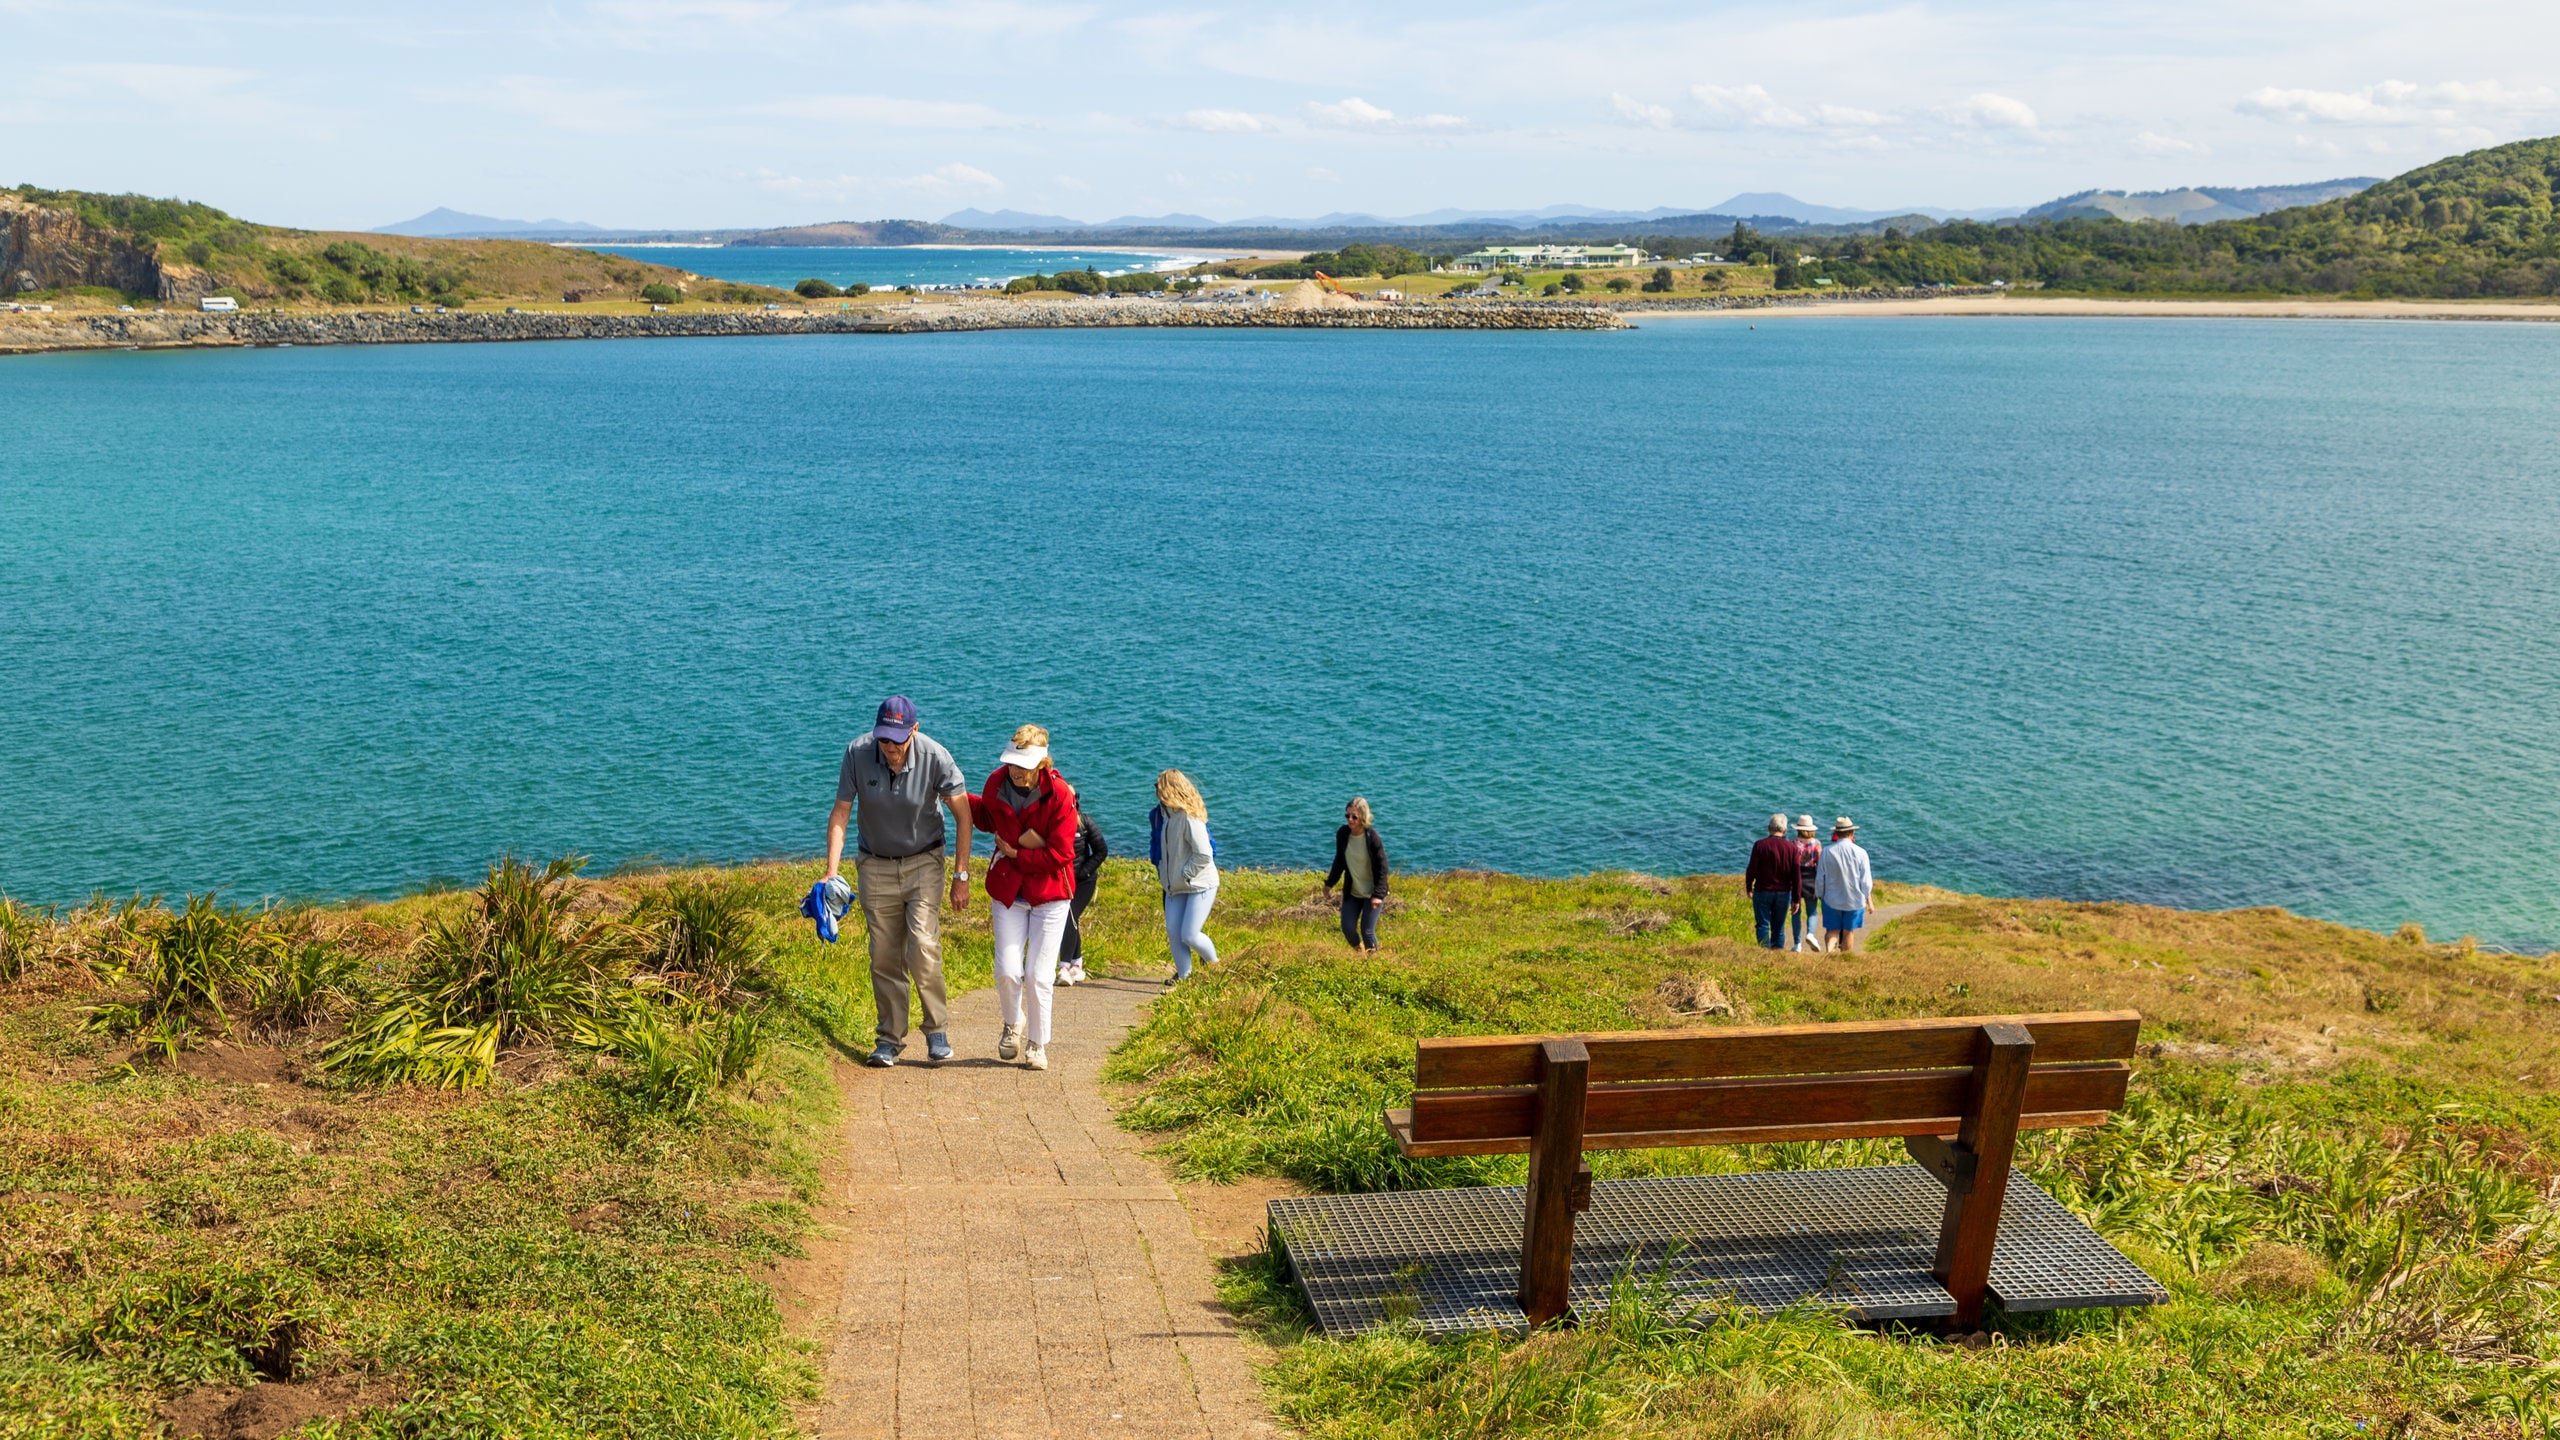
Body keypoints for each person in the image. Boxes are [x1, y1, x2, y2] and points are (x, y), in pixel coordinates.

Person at [826, 696, 975, 1068]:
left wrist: (961, 874)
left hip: (924, 860)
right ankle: (889, 1038)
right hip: (875, 863)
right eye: (884, 740)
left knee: (923, 945)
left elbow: (964, 816)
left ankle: (936, 1029)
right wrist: (831, 872)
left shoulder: (936, 756)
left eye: (898, 741)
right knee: (884, 954)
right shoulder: (857, 753)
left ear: (915, 730)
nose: (891, 749)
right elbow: (841, 812)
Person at [979, 725, 1079, 1072]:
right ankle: (1012, 1023)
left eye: (1024, 765)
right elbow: (985, 816)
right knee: (1007, 970)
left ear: (1041, 763)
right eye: (1012, 764)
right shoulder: (995, 783)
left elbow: (1062, 854)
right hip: (1010, 891)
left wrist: (1016, 855)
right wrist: (954, 798)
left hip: (1050, 894)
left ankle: (1037, 1043)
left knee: (1038, 974)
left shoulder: (1062, 795)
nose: (1016, 772)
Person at [1150, 769, 1219, 982]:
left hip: (1200, 884)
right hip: (1174, 886)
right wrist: (1166, 874)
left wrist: (1186, 874)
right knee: (1173, 931)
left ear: (1170, 790)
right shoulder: (1165, 817)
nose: (1156, 793)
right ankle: (1185, 979)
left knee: (1189, 934)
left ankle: (1216, 968)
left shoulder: (1190, 818)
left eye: (1159, 788)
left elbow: (1205, 854)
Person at [1323, 797, 1389, 951]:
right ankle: (1359, 955)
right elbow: (1339, 861)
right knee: (1347, 928)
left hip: (1372, 893)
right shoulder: (1343, 834)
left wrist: (1378, 895)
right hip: (1353, 891)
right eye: (1347, 816)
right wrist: (1329, 883)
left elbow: (1382, 867)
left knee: (1367, 931)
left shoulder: (1372, 838)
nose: (1350, 820)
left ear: (1363, 817)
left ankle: (1374, 964)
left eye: (1354, 817)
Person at [1057, 807, 1107, 986]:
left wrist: (1083, 872)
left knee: (1069, 916)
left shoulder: (1085, 822)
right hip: (1062, 882)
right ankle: (1076, 965)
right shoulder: (1053, 821)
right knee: (1072, 918)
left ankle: (1064, 967)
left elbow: (1101, 851)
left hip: (1083, 881)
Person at [1814, 816, 1873, 953]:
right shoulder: (1861, 853)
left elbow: (1820, 877)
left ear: (1836, 833)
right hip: (1854, 900)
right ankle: (1844, 959)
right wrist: (1865, 896)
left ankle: (1829, 952)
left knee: (1832, 930)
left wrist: (1820, 894)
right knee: (1848, 932)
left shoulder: (1827, 852)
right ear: (1852, 833)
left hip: (1831, 898)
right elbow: (1865, 881)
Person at [1743, 812, 1801, 950]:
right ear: (1785, 830)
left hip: (1762, 890)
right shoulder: (1792, 849)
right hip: (1783, 892)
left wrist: (1749, 886)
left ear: (1769, 828)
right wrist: (1796, 899)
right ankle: (1777, 955)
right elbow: (1796, 875)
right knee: (1778, 927)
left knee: (1762, 924)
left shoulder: (1760, 845)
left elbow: (1752, 869)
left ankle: (1764, 953)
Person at [1788, 815, 1823, 950]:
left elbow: (1790, 864)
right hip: (1811, 878)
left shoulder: (1792, 844)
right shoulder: (1817, 844)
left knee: (1795, 911)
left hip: (1795, 878)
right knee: (1812, 910)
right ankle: (1810, 934)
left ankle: (1797, 944)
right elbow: (1820, 865)